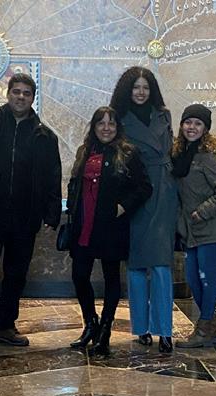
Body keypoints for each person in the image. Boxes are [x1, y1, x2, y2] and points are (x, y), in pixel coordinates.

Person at [0, 73, 62, 353]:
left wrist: (52, 212)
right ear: (8, 94)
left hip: (25, 216)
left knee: (16, 274)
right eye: (16, 91)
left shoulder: (44, 135)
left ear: (33, 98)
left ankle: (6, 326)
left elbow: (52, 175)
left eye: (26, 93)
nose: (21, 97)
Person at [67, 106, 152, 356]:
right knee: (79, 275)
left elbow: (144, 187)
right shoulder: (85, 151)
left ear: (118, 127)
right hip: (84, 223)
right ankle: (90, 324)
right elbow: (75, 182)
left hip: (111, 226)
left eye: (111, 123)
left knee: (111, 278)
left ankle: (105, 330)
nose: (106, 128)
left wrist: (122, 207)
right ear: (94, 127)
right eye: (101, 123)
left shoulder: (128, 153)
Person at [110, 66, 178, 353]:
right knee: (137, 262)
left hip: (165, 192)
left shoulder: (164, 115)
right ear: (127, 90)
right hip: (136, 191)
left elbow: (173, 150)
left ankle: (165, 329)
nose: (141, 92)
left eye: (145, 87)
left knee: (161, 263)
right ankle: (142, 327)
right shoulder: (118, 119)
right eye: (136, 87)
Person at [171, 104, 216, 348]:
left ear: (205, 128)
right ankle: (211, 327)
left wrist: (201, 212)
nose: (192, 127)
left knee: (206, 279)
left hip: (210, 228)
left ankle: (204, 327)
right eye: (188, 122)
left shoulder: (208, 156)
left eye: (198, 124)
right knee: (192, 278)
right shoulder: (181, 153)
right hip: (190, 230)